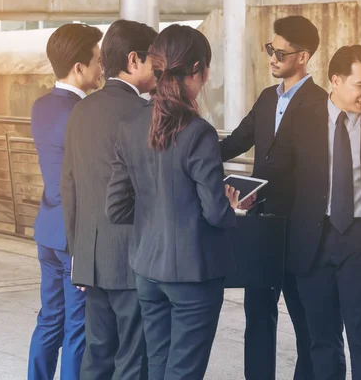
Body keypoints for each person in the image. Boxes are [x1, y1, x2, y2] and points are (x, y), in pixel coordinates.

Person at [266, 45, 361, 380]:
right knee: (321, 339)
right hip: (312, 240)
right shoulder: (301, 121)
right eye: (360, 85)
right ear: (335, 80)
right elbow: (276, 172)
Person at [105, 24, 239, 380]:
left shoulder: (130, 124)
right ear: (199, 70)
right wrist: (231, 207)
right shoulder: (199, 132)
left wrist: (158, 212)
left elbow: (116, 207)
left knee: (159, 366)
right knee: (183, 372)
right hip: (193, 275)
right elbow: (215, 212)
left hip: (147, 269)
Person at [219, 15, 326, 380]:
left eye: (280, 53)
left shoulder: (320, 103)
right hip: (261, 227)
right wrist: (190, 155)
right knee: (258, 316)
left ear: (303, 56)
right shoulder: (267, 98)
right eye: (270, 50)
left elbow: (317, 172)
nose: (273, 58)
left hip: (299, 230)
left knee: (306, 323)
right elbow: (235, 142)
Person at [60, 19, 158, 380]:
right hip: (133, 261)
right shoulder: (145, 114)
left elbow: (68, 185)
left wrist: (77, 254)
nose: (160, 70)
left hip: (91, 258)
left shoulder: (81, 109)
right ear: (135, 60)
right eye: (155, 61)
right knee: (133, 359)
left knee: (97, 354)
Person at [28, 23, 103, 380]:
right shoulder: (84, 113)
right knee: (78, 328)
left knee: (49, 320)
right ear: (79, 68)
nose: (101, 69)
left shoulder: (41, 106)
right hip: (73, 236)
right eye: (98, 61)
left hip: (47, 230)